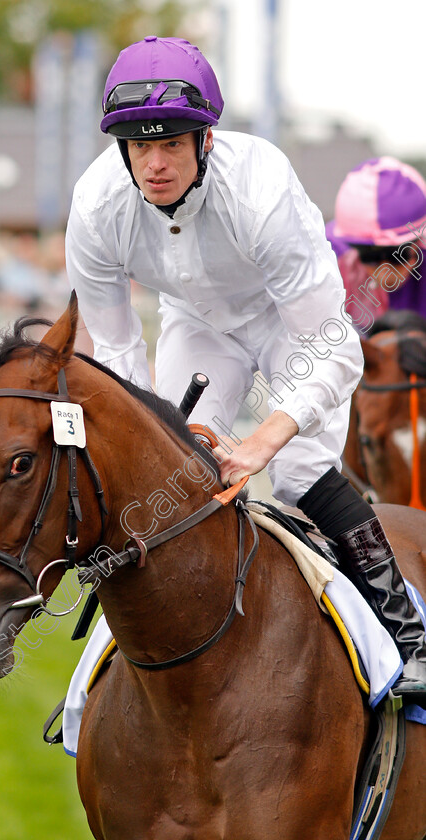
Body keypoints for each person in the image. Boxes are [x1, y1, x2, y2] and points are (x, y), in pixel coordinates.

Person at [65, 35, 426, 702]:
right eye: (140, 146)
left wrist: (264, 437)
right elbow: (115, 358)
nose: (154, 163)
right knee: (168, 478)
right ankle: (109, 671)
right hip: (195, 322)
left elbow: (334, 347)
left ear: (206, 140)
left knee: (291, 471)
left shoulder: (258, 189)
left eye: (171, 141)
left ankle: (408, 636)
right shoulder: (94, 207)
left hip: (288, 322)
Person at [328, 157, 426, 332]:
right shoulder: (328, 255)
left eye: (397, 255)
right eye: (369, 256)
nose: (384, 274)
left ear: (420, 241)